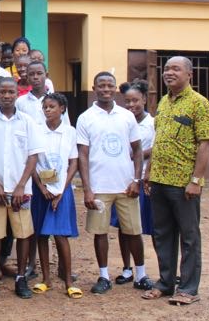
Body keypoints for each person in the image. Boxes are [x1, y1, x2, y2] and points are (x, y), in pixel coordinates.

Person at [143, 56, 209, 306]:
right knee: (162, 234)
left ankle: (189, 288)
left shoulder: (200, 104)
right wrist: (149, 171)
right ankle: (165, 283)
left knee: (189, 236)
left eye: (175, 69)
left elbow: (205, 144)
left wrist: (196, 180)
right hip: (160, 180)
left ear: (189, 74)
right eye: (166, 69)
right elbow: (159, 140)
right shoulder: (163, 102)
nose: (169, 73)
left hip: (184, 183)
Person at [77, 72, 145, 296]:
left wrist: (137, 180)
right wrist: (87, 188)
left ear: (116, 88)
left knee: (133, 231)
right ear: (94, 88)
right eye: (101, 85)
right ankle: (104, 276)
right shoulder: (86, 118)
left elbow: (137, 151)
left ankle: (141, 274)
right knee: (100, 232)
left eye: (110, 85)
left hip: (126, 185)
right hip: (99, 187)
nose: (106, 89)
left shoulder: (126, 116)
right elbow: (83, 155)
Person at [0, 78, 42, 300]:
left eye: (10, 91)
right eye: (2, 91)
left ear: (17, 93)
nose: (6, 95)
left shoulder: (27, 121)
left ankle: (21, 278)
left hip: (20, 190)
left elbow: (33, 156)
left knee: (23, 234)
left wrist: (21, 185)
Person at [31, 92, 81, 299]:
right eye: (45, 107)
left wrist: (61, 191)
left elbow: (74, 162)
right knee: (41, 235)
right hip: (41, 189)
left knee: (60, 235)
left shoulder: (69, 132)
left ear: (62, 109)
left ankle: (68, 280)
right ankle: (46, 279)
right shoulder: (36, 131)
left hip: (62, 189)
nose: (47, 110)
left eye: (52, 106)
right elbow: (32, 161)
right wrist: (42, 188)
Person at [112, 81, 155, 289]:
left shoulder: (152, 123)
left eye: (135, 100)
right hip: (122, 179)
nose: (131, 105)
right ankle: (126, 268)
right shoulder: (119, 120)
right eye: (127, 101)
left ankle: (149, 270)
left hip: (144, 180)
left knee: (146, 227)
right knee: (123, 226)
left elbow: (155, 148)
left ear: (145, 100)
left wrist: (137, 152)